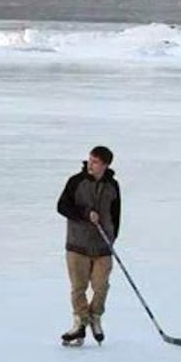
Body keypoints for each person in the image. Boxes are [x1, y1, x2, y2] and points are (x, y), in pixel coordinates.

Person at [56, 145, 120, 346]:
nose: (90, 164)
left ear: (105, 165)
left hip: (103, 246)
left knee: (101, 286)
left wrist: (112, 238)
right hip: (77, 244)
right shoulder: (76, 181)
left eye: (95, 162)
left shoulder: (112, 185)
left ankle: (95, 317)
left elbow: (116, 215)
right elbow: (62, 206)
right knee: (79, 287)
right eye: (90, 160)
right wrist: (85, 214)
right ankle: (79, 323)